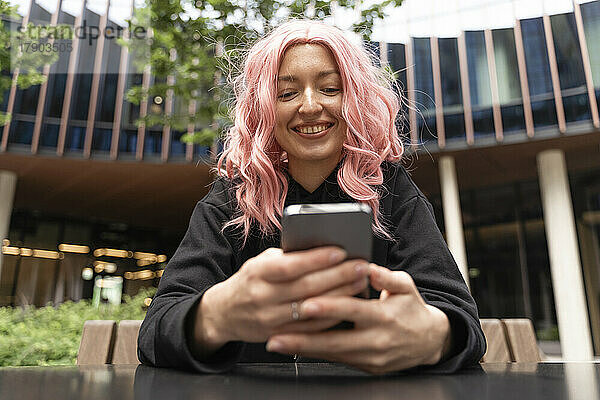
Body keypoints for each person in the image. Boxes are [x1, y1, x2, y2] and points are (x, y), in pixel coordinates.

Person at [138, 20, 486, 374]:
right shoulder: (233, 195)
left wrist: (434, 336)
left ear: (355, 99)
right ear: (264, 108)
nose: (309, 106)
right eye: (287, 93)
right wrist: (212, 317)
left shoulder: (391, 188)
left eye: (330, 88)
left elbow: (463, 322)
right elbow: (156, 330)